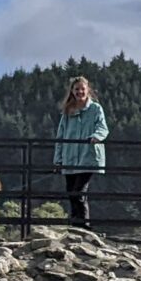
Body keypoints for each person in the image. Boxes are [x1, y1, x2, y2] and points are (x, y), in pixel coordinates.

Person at [53, 76, 109, 229]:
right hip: (69, 157)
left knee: (79, 192)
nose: (80, 92)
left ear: (87, 90)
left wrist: (96, 137)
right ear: (72, 91)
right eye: (76, 89)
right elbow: (61, 136)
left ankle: (84, 226)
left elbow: (103, 127)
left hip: (88, 157)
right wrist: (58, 160)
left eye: (82, 89)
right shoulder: (68, 111)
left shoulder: (95, 109)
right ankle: (75, 225)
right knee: (71, 193)